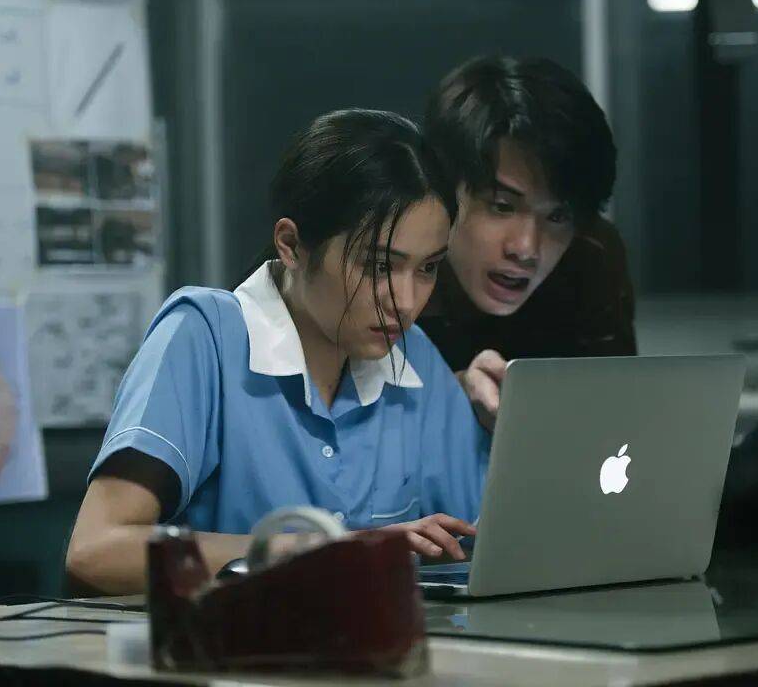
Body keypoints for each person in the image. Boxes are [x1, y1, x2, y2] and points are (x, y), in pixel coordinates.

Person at [66, 110, 489, 596]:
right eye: (378, 267)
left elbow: (488, 541)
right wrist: (327, 550)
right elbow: (95, 551)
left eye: (428, 268)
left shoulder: (414, 357)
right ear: (291, 245)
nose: (408, 302)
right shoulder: (204, 337)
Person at [417, 56, 636, 430]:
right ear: (440, 189)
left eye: (557, 217)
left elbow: (617, 421)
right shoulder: (383, 263)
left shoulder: (590, 253)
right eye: (502, 206)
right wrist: (449, 397)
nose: (526, 249)